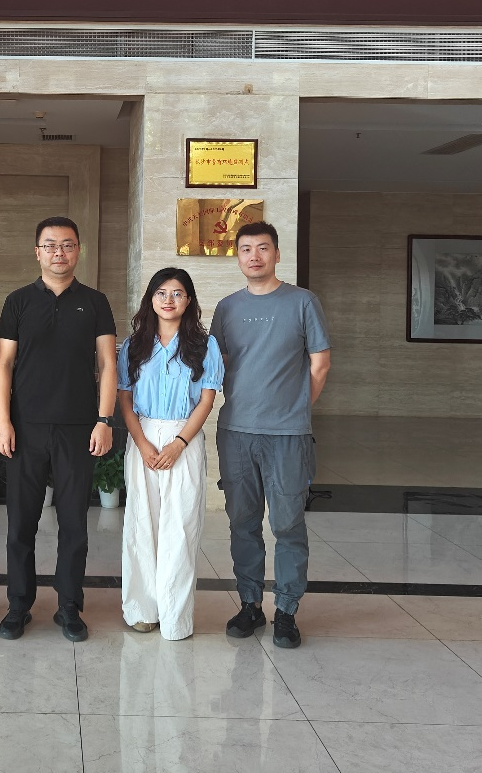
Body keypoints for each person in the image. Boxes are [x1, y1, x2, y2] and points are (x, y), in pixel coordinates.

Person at [0, 216, 117, 642]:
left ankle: (69, 606)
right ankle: (18, 605)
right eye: (50, 245)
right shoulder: (18, 301)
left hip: (78, 428)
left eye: (67, 245)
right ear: (37, 252)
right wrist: (3, 421)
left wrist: (104, 419)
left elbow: (108, 364)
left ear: (78, 250)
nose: (58, 252)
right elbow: (3, 365)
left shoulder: (95, 302)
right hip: (25, 428)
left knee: (74, 524)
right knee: (20, 523)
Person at [210, 221, 331, 649]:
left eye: (263, 248)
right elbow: (218, 366)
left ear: (277, 254)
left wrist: (296, 408)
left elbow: (320, 363)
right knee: (242, 522)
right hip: (236, 432)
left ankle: (286, 611)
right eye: (246, 249)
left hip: (287, 436)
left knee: (287, 523)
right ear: (238, 257)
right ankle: (249, 605)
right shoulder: (226, 308)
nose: (255, 256)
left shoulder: (303, 302)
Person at [117, 268, 223, 641]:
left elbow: (206, 400)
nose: (168, 300)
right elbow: (125, 399)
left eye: (177, 293)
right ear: (150, 299)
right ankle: (142, 610)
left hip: (185, 437)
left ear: (188, 300)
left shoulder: (204, 345)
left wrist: (179, 443)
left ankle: (175, 617)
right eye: (161, 293)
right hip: (143, 435)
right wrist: (142, 442)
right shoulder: (134, 345)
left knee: (180, 526)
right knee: (141, 523)